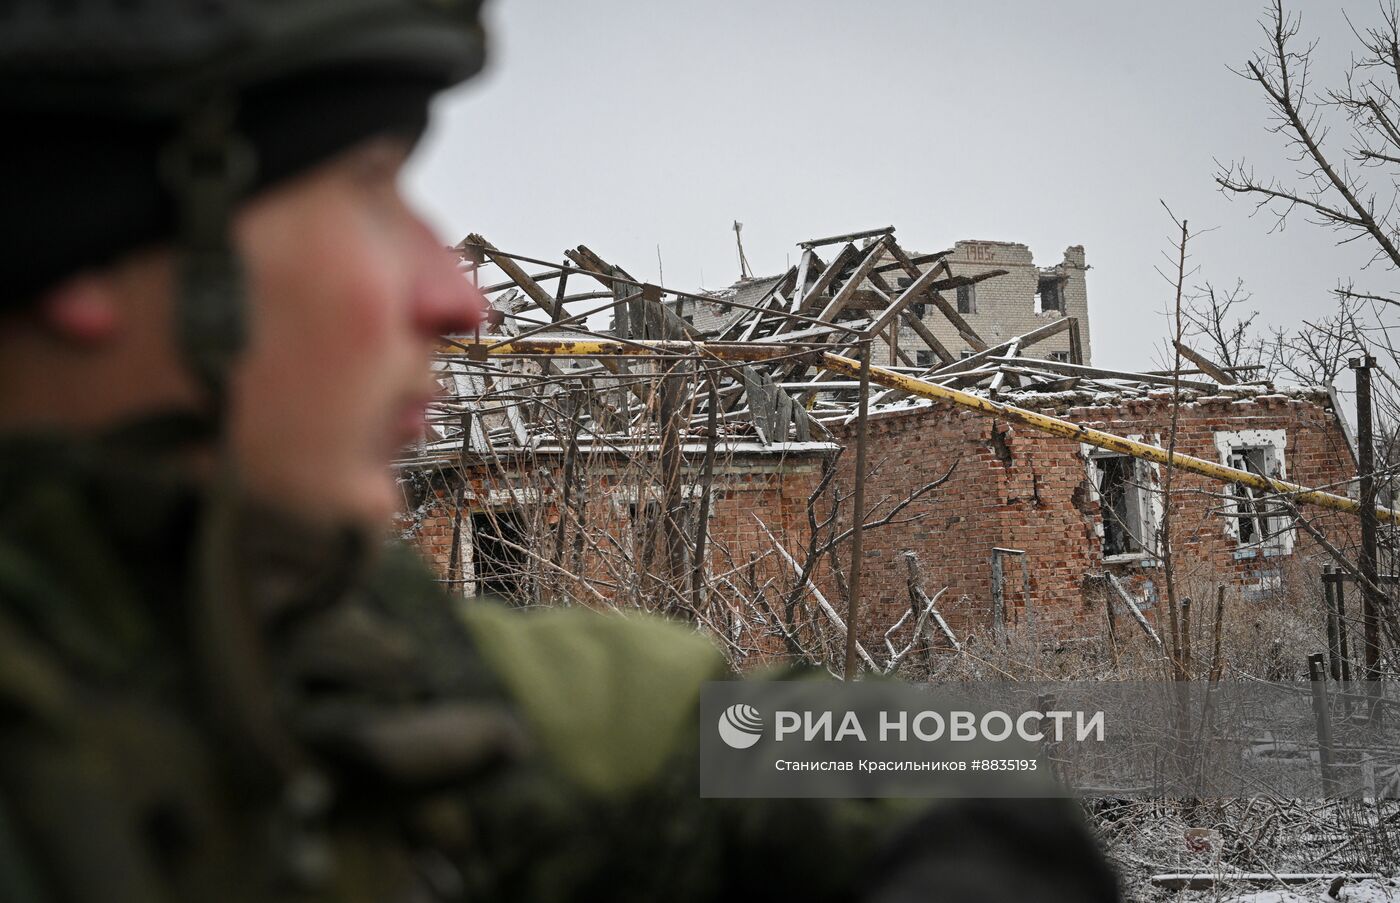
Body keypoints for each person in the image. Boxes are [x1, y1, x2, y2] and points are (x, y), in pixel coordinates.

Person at [0, 3, 1121, 901]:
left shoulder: (293, 642)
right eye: (367, 190)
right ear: (82, 243)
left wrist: (954, 812)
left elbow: (694, 732)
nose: (459, 297)